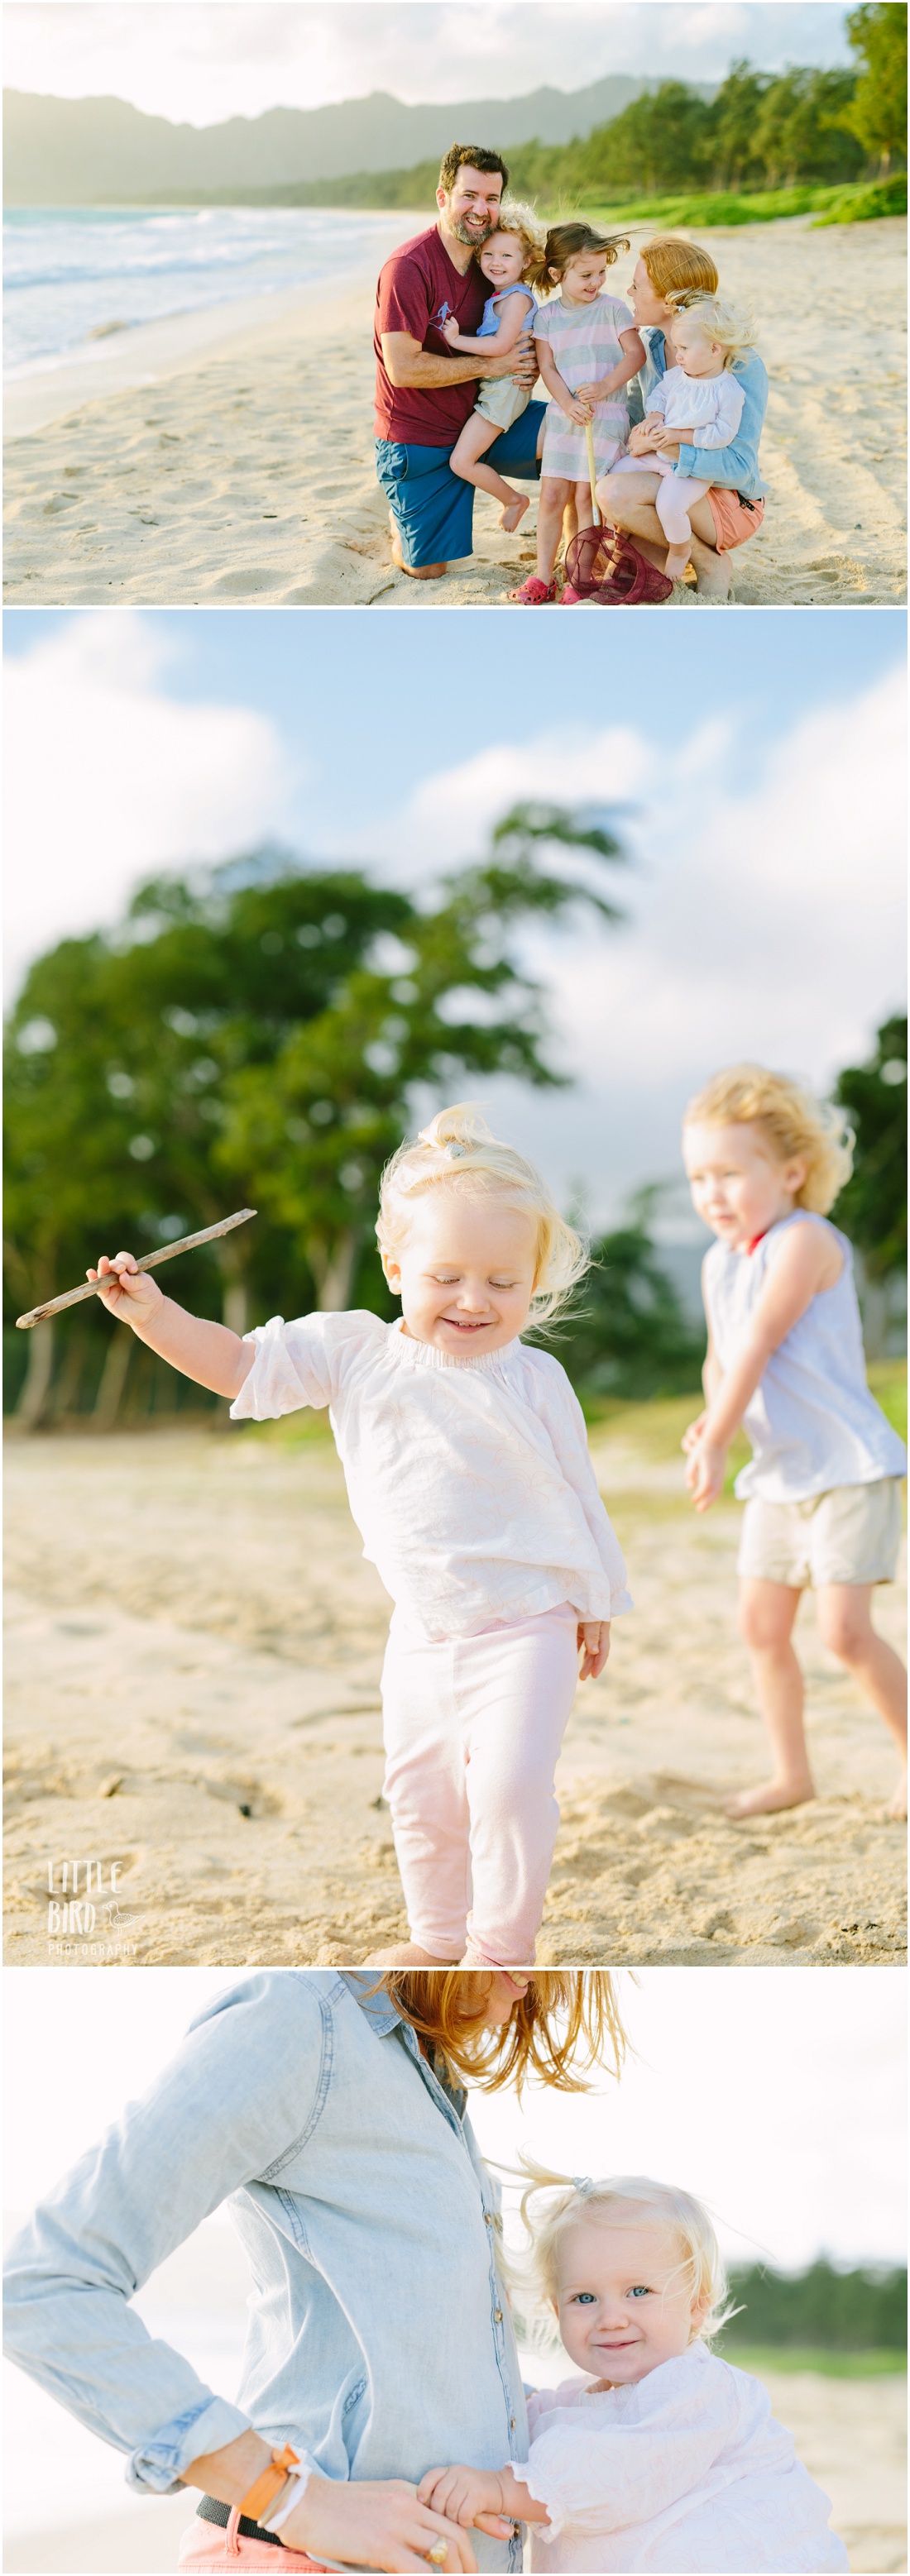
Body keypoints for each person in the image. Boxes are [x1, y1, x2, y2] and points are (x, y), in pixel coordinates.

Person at [84, 1105, 631, 1967]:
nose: (472, 1300)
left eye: (501, 1281)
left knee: (506, 1785)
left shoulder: (535, 1376)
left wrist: (596, 1598)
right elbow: (236, 1363)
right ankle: (436, 1935)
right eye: (446, 1274)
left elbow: (577, 1490)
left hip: (530, 1618)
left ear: (533, 1282)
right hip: (420, 1628)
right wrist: (151, 1314)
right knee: (417, 1790)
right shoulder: (351, 1352)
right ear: (393, 1266)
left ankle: (498, 1947)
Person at [3, 1971, 625, 2576]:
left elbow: (397, 2360)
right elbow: (42, 2284)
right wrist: (293, 2498)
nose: (533, 1978)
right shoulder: (302, 2019)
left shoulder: (425, 2075)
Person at [419, 2173, 849, 2572]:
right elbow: (517, 2423)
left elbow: (615, 2475)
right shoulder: (569, 2404)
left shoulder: (702, 2390)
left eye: (639, 2292)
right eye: (584, 2298)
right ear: (556, 2311)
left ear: (697, 2303)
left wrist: (502, 2489)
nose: (611, 2318)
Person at [681, 1064, 907, 1819]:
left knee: (843, 1631)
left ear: (791, 1172)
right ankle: (791, 1775)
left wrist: (718, 1440)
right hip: (780, 1476)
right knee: (759, 1625)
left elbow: (760, 1343)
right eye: (697, 1177)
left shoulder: (804, 1239)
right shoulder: (719, 1262)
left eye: (729, 1173)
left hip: (848, 1467)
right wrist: (711, 1423)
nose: (712, 1192)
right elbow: (720, 1360)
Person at [374, 146, 546, 581]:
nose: (481, 209)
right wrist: (494, 366)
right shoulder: (408, 268)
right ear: (443, 197)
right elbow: (404, 370)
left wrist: (536, 363)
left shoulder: (492, 263)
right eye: (470, 195)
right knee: (428, 569)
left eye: (492, 198)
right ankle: (402, 526)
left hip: (485, 416)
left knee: (584, 434)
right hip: (421, 437)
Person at [596, 237, 768, 601]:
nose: (628, 291)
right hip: (664, 486)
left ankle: (709, 561)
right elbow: (637, 426)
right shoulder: (649, 346)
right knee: (633, 584)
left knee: (615, 493)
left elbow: (740, 467)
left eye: (638, 286)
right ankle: (676, 549)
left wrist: (671, 446)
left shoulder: (739, 362)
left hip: (727, 500)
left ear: (671, 299)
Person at [506, 223, 644, 608]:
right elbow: (547, 367)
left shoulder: (613, 309)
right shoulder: (547, 317)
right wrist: (566, 402)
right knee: (551, 496)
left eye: (602, 272)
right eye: (585, 275)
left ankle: (581, 578)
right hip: (564, 414)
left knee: (586, 498)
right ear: (557, 275)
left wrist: (602, 387)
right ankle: (541, 575)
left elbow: (635, 355)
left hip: (605, 414)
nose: (596, 281)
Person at [606, 299, 756, 585]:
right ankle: (624, 531)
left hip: (687, 466)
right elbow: (659, 396)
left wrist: (678, 436)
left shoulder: (728, 391)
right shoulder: (678, 376)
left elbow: (721, 434)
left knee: (670, 506)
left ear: (714, 349)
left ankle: (680, 549)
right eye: (676, 347)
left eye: (684, 348)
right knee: (615, 473)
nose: (678, 354)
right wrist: (654, 416)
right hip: (658, 455)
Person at [442, 203, 544, 535]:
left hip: (506, 389)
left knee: (461, 461)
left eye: (506, 256)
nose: (496, 263)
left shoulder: (516, 299)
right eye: (488, 255)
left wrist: (457, 341)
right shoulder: (498, 295)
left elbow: (501, 346)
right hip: (499, 388)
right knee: (464, 457)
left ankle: (514, 500)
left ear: (526, 261)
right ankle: (512, 498)